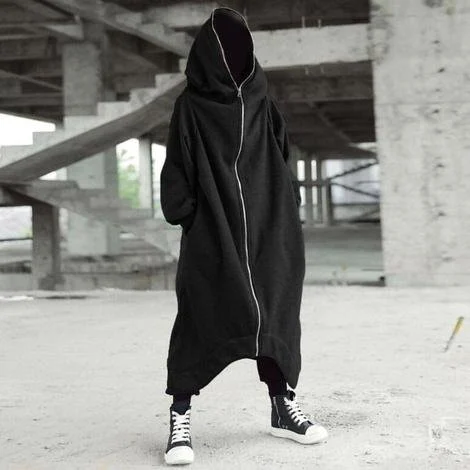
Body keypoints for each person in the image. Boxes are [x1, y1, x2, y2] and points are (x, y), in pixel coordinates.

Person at [160, 6, 328, 465]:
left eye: (239, 51)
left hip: (271, 229)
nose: (233, 60)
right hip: (212, 232)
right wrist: (190, 218)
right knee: (200, 315)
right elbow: (177, 168)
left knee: (275, 317)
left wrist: (287, 208)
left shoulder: (262, 102)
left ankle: (282, 406)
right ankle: (180, 416)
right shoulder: (190, 106)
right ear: (207, 55)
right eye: (224, 51)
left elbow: (282, 155)